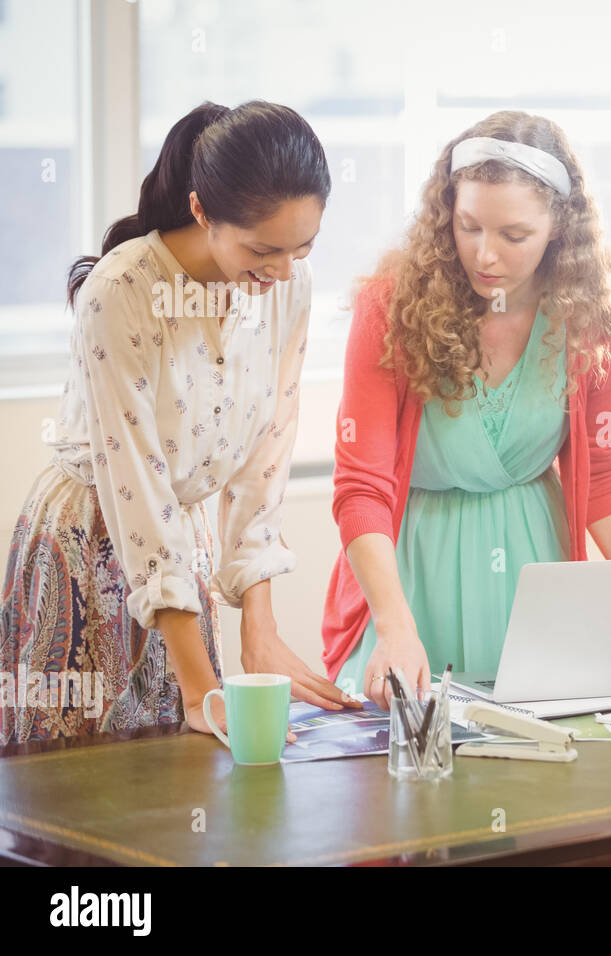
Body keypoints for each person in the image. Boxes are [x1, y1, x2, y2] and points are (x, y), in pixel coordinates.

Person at [1, 101, 355, 745]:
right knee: (85, 789)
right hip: (91, 542)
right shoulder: (122, 291)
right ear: (201, 212)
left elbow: (266, 460)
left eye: (302, 247)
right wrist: (202, 690)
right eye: (262, 249)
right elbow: (139, 490)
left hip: (178, 551)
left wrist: (260, 629)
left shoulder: (287, 288)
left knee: (189, 792)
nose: (281, 271)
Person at [322, 111, 611, 709]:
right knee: (399, 775)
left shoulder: (590, 318)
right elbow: (361, 486)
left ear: (559, 227)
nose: (484, 254)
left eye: (513, 236)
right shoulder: (389, 307)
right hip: (409, 574)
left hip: (534, 570)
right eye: (468, 226)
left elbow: (598, 474)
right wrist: (395, 627)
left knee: (536, 767)